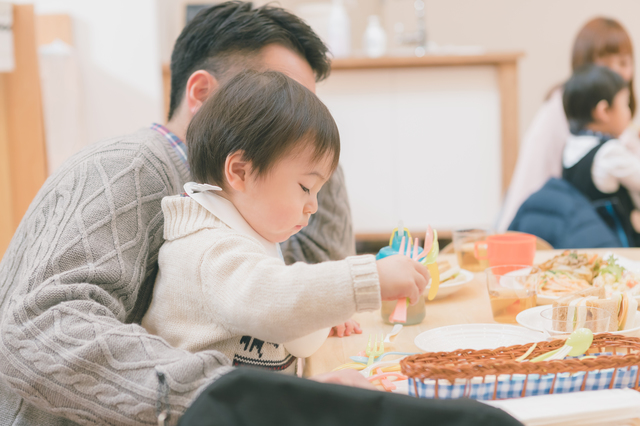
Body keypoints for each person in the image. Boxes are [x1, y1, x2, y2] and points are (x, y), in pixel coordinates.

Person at [0, 3, 367, 424]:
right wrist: (245, 399)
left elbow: (306, 265)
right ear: (201, 94)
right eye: (280, 95)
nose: (294, 114)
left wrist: (308, 156)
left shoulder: (227, 196)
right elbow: (44, 328)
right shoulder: (130, 168)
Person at [141, 70, 429, 374]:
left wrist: (323, 312)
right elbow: (271, 300)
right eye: (306, 187)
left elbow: (290, 331)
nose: (313, 206)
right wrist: (368, 278)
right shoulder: (207, 250)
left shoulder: (245, 235)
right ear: (240, 171)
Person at [498, 17, 637, 232]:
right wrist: (507, 236)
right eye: (604, 63)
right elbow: (529, 178)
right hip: (565, 230)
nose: (614, 73)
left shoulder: (616, 122)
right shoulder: (558, 109)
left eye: (623, 63)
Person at [561, 64, 639, 245]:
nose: (629, 113)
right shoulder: (609, 152)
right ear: (603, 111)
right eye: (625, 104)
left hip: (584, 240)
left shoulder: (573, 144)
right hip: (615, 245)